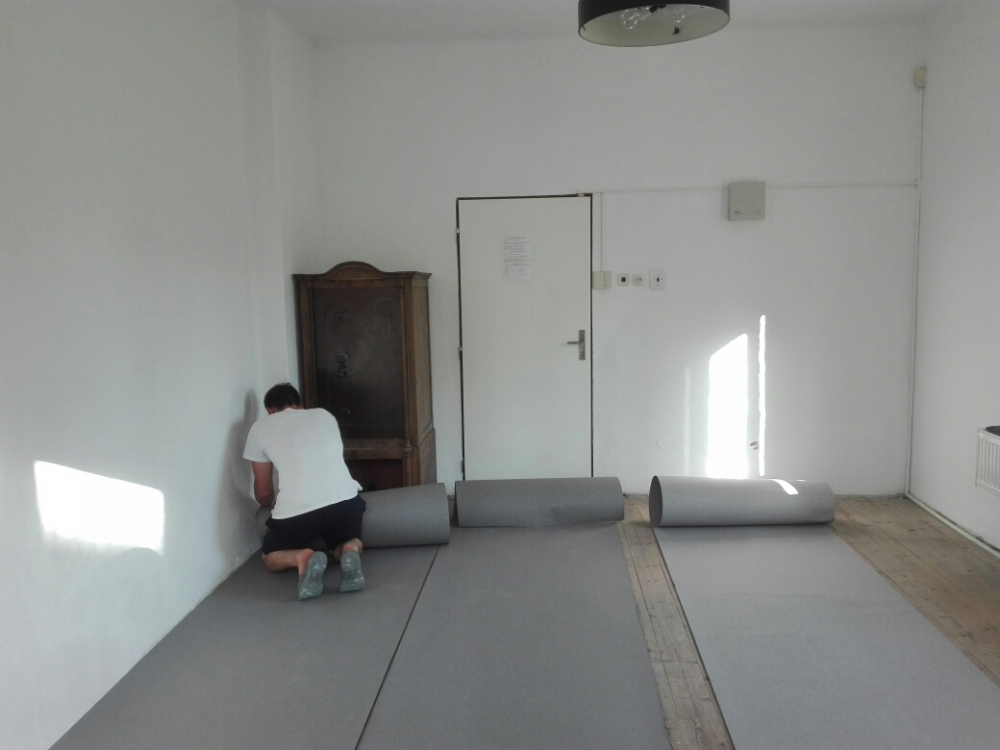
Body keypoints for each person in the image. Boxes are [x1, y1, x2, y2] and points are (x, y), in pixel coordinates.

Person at [243, 382, 366, 600]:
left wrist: (268, 506)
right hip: (346, 502)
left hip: (298, 513)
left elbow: (263, 495)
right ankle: (349, 551)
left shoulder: (260, 428)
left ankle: (303, 557)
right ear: (300, 405)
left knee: (270, 556)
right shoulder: (324, 415)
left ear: (270, 410)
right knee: (349, 539)